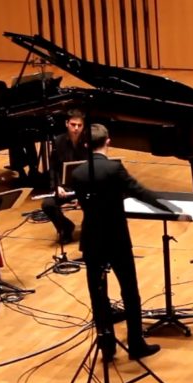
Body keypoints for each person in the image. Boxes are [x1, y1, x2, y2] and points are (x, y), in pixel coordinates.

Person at [71, 124, 160, 362]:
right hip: (116, 237)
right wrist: (170, 208)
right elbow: (139, 191)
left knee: (97, 294)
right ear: (108, 142)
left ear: (86, 145)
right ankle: (136, 344)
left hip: (91, 240)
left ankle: (107, 346)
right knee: (130, 291)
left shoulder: (77, 173)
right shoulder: (113, 168)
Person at [41, 109, 86, 244]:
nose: (76, 128)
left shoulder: (89, 141)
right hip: (66, 187)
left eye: (80, 125)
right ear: (66, 123)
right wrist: (57, 186)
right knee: (48, 204)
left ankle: (89, 232)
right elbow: (54, 167)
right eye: (73, 124)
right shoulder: (58, 141)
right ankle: (66, 228)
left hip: (86, 187)